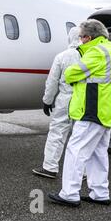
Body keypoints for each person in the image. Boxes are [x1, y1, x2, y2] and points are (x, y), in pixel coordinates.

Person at [49, 19, 111, 207]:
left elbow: (71, 74)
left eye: (82, 37)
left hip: (91, 109)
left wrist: (73, 73)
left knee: (75, 150)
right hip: (105, 110)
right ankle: (100, 193)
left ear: (89, 37)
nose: (80, 41)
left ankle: (69, 193)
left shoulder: (96, 51)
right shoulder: (110, 48)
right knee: (98, 153)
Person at [32, 27, 81, 179]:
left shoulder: (62, 56)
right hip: (83, 99)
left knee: (57, 132)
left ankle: (50, 168)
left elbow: (52, 81)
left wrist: (47, 101)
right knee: (80, 135)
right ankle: (82, 171)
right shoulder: (89, 55)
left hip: (65, 99)